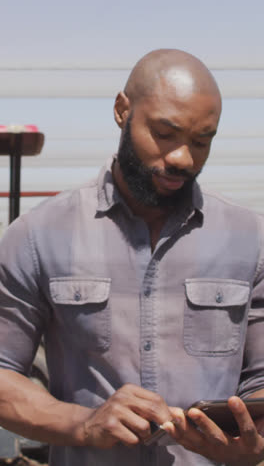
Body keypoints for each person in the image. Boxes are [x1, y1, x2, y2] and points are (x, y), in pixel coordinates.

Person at [0, 48, 263, 466]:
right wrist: (83, 424)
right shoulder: (37, 235)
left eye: (202, 141)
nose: (182, 158)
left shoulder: (251, 240)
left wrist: (253, 439)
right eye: (164, 132)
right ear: (123, 110)